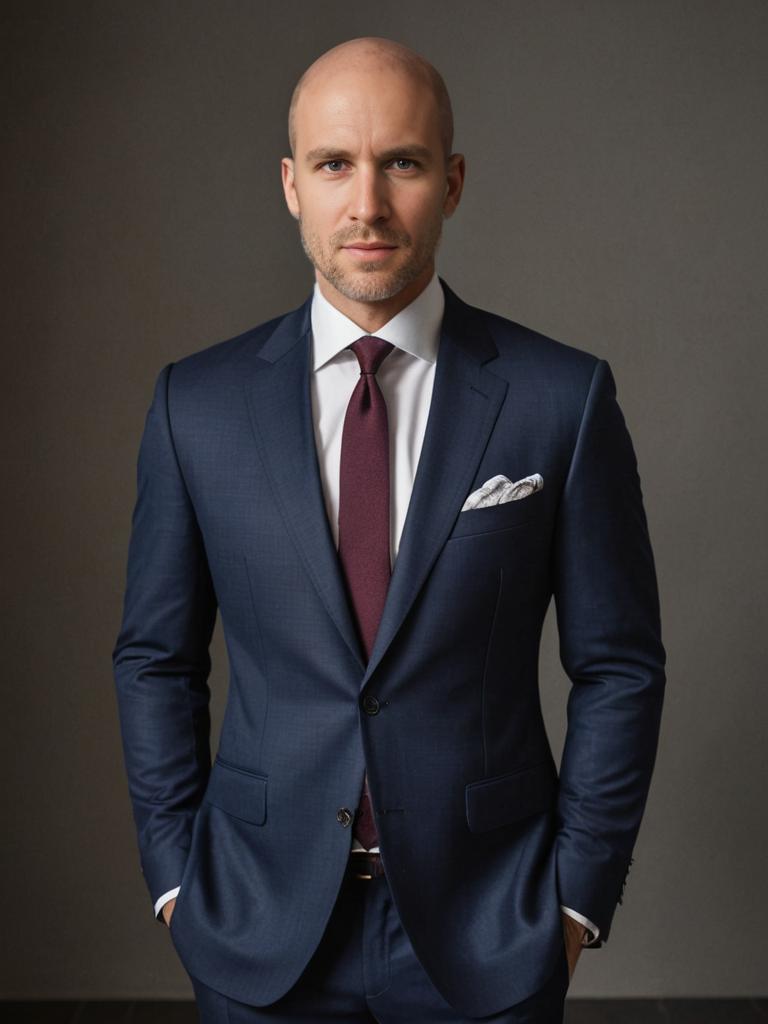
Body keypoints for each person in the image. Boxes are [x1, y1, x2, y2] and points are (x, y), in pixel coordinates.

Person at [113, 35, 666, 1024]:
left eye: (400, 163)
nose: (366, 205)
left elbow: (619, 663)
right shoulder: (193, 406)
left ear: (451, 183)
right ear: (291, 185)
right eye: (334, 165)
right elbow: (155, 656)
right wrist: (174, 881)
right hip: (258, 923)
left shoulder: (559, 398)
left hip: (489, 930)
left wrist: (576, 898)